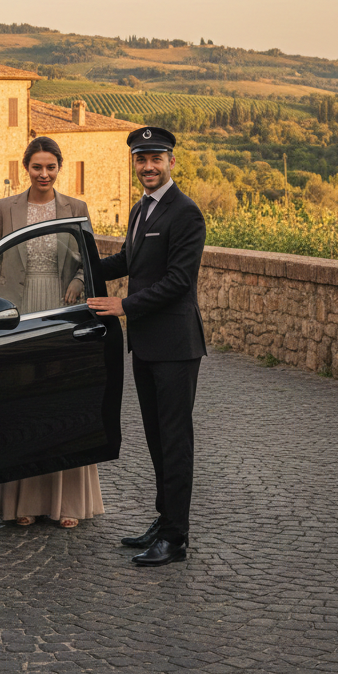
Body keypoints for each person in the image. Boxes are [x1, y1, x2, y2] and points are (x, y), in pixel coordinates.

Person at [87, 126, 207, 567]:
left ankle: (175, 538)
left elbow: (179, 282)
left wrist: (123, 305)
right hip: (146, 345)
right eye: (141, 159)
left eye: (156, 158)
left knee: (175, 441)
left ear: (172, 161)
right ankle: (164, 519)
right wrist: (81, 265)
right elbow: (128, 262)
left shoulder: (186, 213)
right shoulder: (140, 210)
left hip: (176, 345)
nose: (148, 166)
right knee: (156, 439)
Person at [0, 136, 105, 530]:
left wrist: (77, 281)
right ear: (27, 168)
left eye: (51, 167)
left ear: (60, 168)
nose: (44, 174)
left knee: (64, 404)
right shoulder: (6, 208)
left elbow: (88, 261)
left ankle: (67, 501)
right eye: (37, 167)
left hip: (62, 311)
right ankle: (24, 500)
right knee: (22, 402)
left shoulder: (76, 208)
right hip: (16, 316)